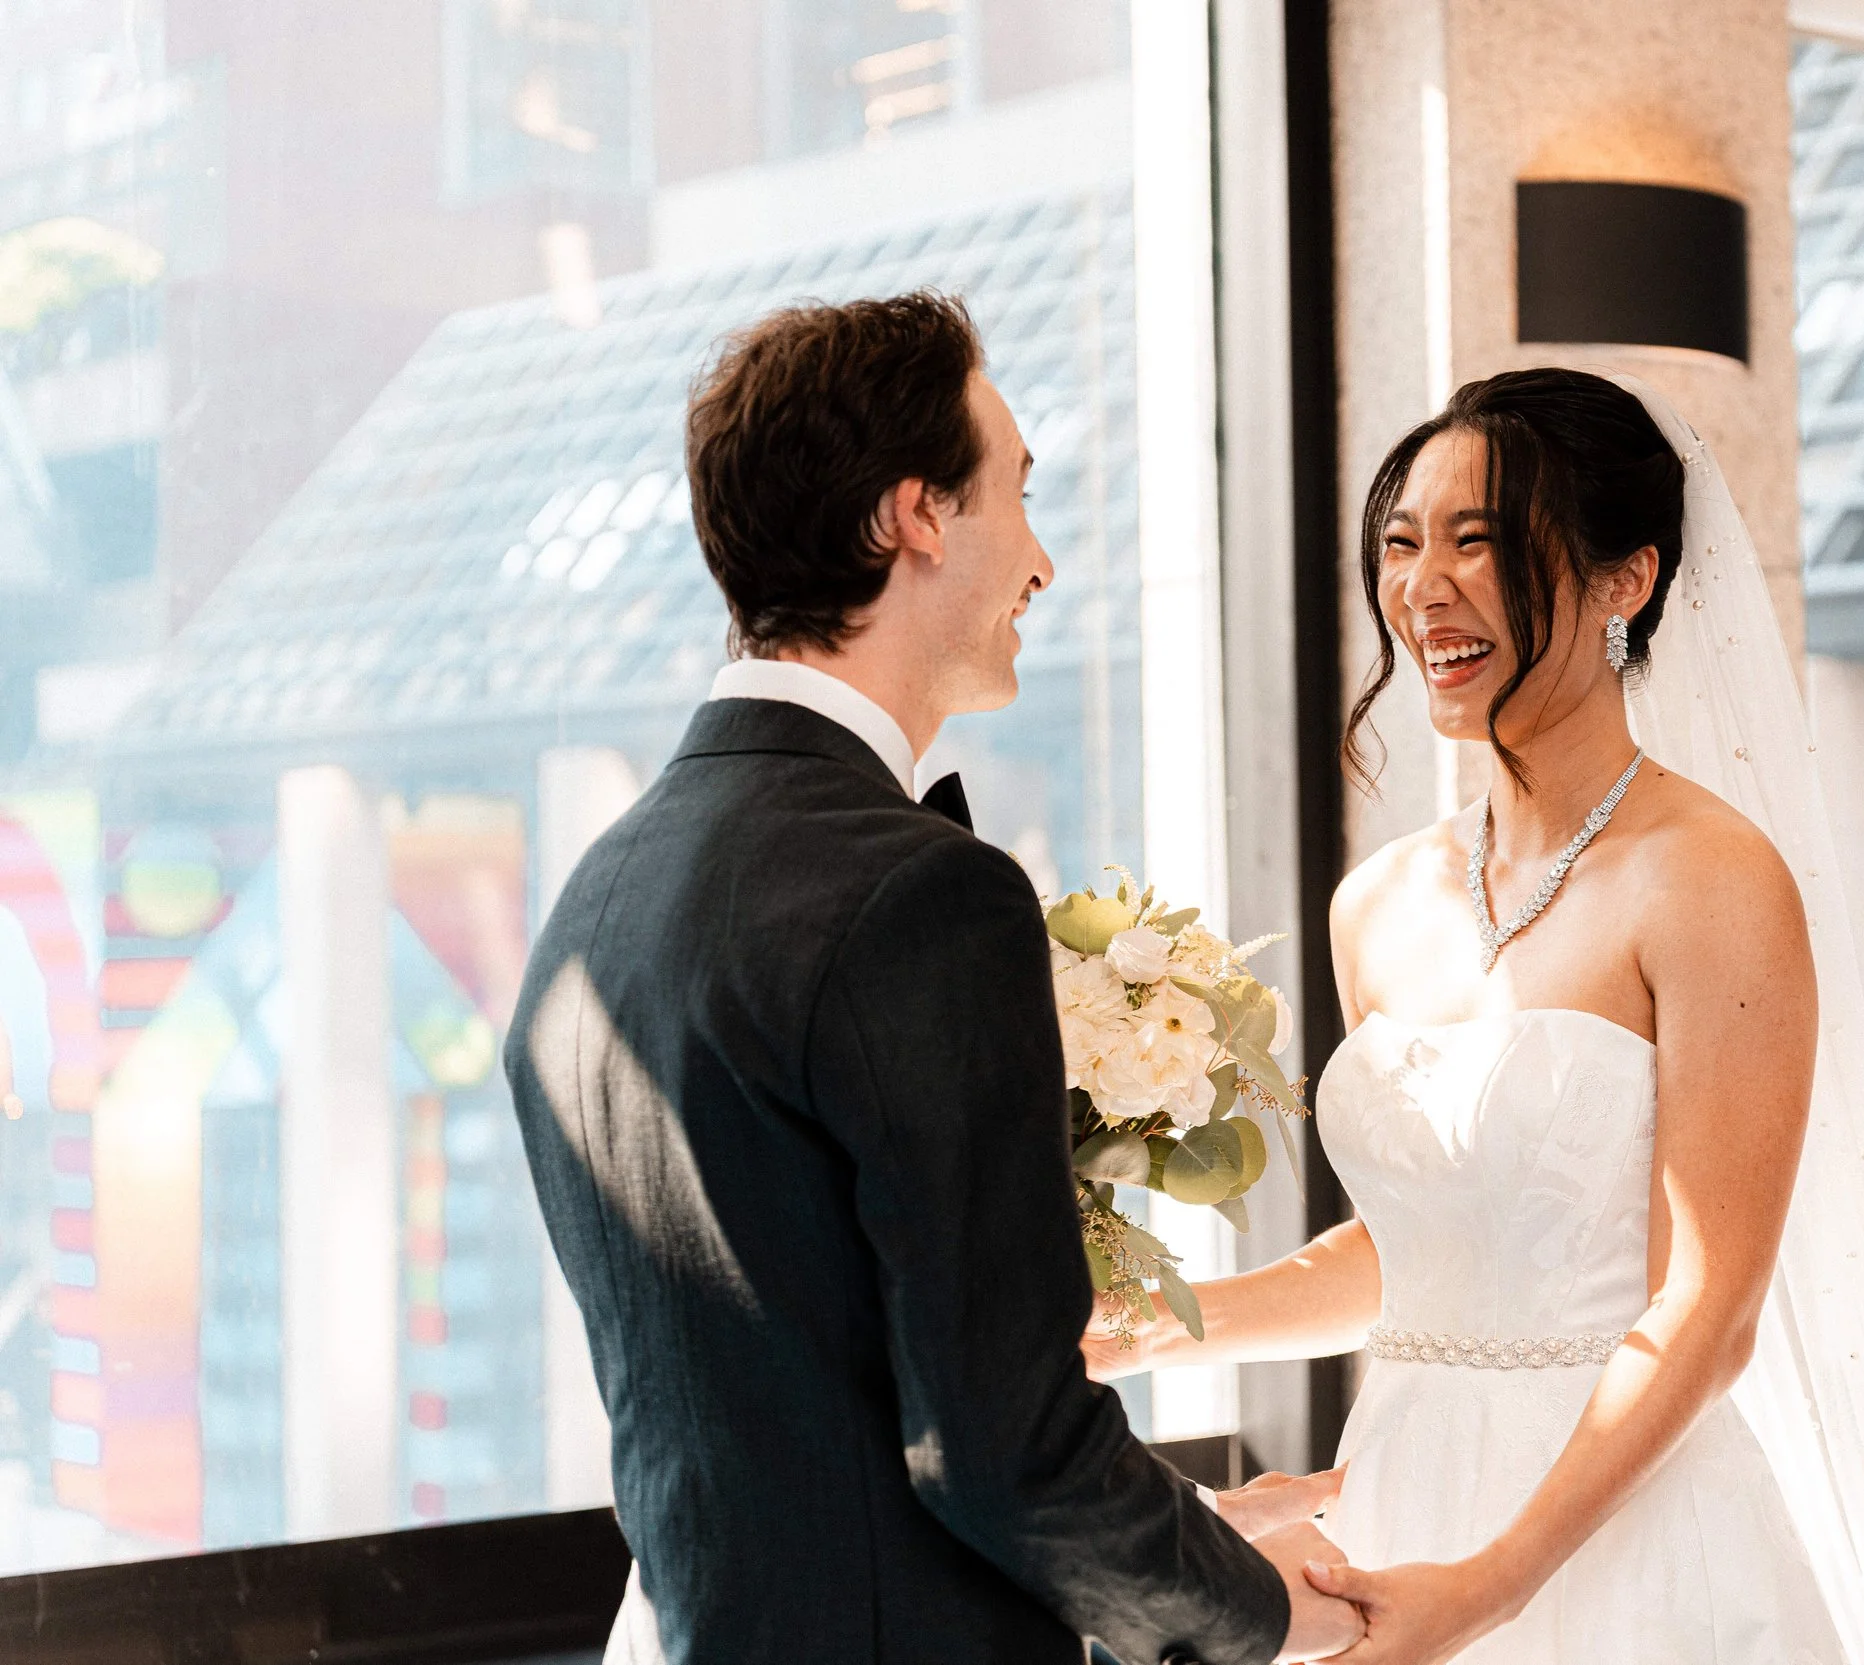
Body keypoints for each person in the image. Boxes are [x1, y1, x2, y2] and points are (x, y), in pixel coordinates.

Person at [1086, 369, 1864, 1665]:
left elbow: (1710, 1311)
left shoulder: (1711, 881)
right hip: (1405, 1504)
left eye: (1479, 541)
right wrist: (1159, 1325)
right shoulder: (1375, 905)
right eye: (1403, 544)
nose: (1425, 587)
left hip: (1625, 1543)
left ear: (1626, 579)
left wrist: (1491, 1588)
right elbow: (1435, 1250)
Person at [506, 291, 1361, 1665]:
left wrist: (1195, 1524)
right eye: (1017, 489)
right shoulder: (923, 896)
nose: (1043, 561)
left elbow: (816, 1406)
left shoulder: (595, 900)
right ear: (915, 515)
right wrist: (1258, 1610)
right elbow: (1004, 1453)